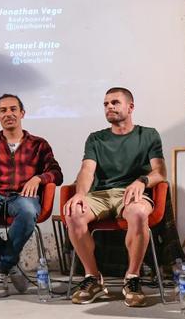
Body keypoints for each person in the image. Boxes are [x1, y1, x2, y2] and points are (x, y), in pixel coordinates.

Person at [62, 87, 166, 307]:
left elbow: (160, 173)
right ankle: (92, 278)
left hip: (131, 192)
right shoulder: (96, 138)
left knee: (138, 213)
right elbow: (87, 170)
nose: (109, 107)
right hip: (99, 195)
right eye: (106, 104)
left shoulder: (148, 135)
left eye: (115, 102)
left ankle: (132, 279)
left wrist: (142, 181)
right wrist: (80, 194)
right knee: (74, 213)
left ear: (130, 107)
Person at [0, 94, 63, 297]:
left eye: (13, 109)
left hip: (23, 196)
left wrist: (39, 179)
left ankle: (1, 267)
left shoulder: (39, 145)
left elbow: (56, 173)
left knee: (27, 211)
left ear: (22, 113)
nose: (9, 114)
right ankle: (11, 262)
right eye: (3, 110)